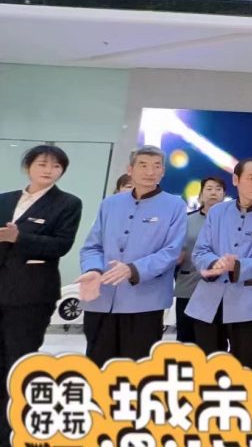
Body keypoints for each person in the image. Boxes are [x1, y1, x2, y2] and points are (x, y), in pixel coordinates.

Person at [0, 145, 83, 446]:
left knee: (18, 360)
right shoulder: (5, 199)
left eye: (56, 166)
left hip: (31, 295)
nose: (49, 170)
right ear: (28, 167)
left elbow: (61, 245)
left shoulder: (67, 203)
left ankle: (13, 428)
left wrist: (19, 237)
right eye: (42, 164)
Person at [78, 146, 186, 366]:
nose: (150, 172)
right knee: (97, 366)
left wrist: (133, 269)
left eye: (156, 166)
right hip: (101, 297)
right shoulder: (110, 204)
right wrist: (92, 269)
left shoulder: (175, 205)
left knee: (136, 368)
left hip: (145, 302)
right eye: (143, 165)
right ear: (130, 169)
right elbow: (92, 247)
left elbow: (171, 251)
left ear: (163, 171)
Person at [186, 158, 252, 374]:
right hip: (209, 301)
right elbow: (200, 251)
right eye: (251, 178)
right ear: (236, 180)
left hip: (250, 303)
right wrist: (215, 263)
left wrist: (238, 265)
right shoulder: (217, 212)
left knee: (245, 368)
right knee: (208, 366)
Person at [174, 176, 226, 344]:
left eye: (218, 189)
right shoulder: (186, 220)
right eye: (209, 189)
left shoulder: (232, 223)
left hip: (219, 289)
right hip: (189, 286)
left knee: (215, 342)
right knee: (186, 340)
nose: (213, 193)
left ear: (224, 195)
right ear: (201, 195)